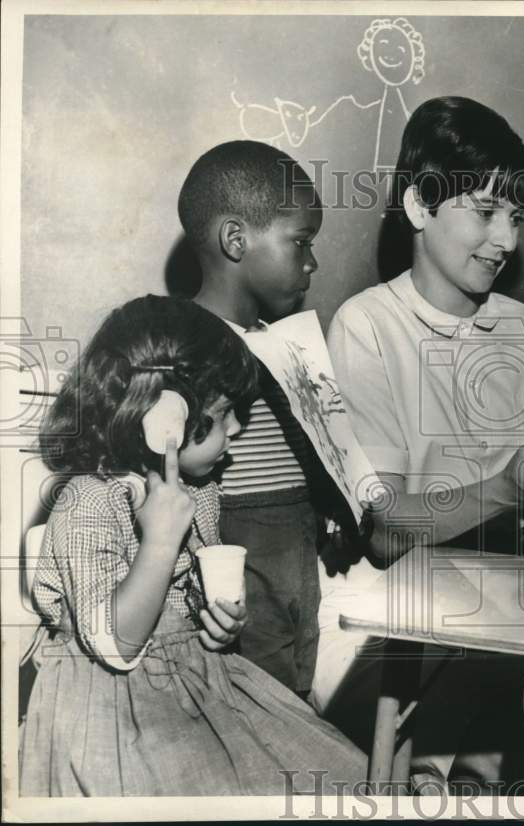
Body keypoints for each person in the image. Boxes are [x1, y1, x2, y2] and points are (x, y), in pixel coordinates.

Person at [316, 96, 524, 790]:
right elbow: (384, 531)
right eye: (485, 210)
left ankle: (456, 771)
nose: (507, 240)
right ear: (418, 207)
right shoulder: (365, 327)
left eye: (516, 218)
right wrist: (506, 487)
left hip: (510, 633)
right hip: (402, 632)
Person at [20, 296, 366, 796]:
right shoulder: (87, 503)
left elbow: (189, 599)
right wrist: (159, 541)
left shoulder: (199, 493)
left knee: (339, 779)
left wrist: (220, 621)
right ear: (161, 416)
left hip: (199, 678)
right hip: (108, 706)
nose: (237, 429)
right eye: (225, 413)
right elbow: (114, 647)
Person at [178, 139, 342, 697]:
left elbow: (311, 447)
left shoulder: (285, 342)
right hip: (236, 535)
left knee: (300, 678)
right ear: (235, 239)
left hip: (297, 534)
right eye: (301, 242)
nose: (313, 262)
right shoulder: (182, 338)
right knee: (258, 692)